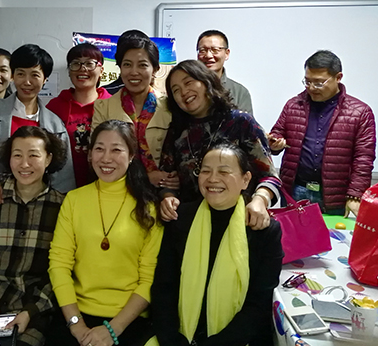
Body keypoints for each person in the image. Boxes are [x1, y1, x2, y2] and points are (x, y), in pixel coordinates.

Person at [151, 143, 283, 345]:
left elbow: (258, 305)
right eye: (205, 171)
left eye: (224, 172)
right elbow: (164, 288)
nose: (212, 179)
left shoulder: (262, 230)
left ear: (245, 179)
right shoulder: (181, 218)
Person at [47, 120, 163, 346]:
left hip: (129, 321)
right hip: (76, 315)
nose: (106, 158)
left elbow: (149, 278)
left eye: (116, 150)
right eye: (99, 149)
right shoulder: (74, 200)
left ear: (131, 156)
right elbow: (59, 264)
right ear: (90, 154)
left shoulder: (148, 208)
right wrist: (76, 325)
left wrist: (113, 329)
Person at [0, 126, 67, 346]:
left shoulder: (62, 207)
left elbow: (59, 271)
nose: (24, 164)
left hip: (34, 308)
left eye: (33, 155)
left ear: (48, 159)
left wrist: (31, 310)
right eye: (17, 155)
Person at [159, 60, 280, 230]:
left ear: (206, 82)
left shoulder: (240, 122)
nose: (184, 92)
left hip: (241, 222)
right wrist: (168, 197)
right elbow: (167, 178)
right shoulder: (177, 131)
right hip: (191, 223)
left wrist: (260, 200)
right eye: (176, 90)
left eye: (188, 83)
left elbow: (269, 176)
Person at [269, 50, 376, 216]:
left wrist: (355, 194)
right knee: (293, 232)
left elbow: (364, 158)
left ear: (338, 77)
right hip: (296, 190)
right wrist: (274, 143)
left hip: (335, 196)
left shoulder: (360, 112)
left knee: (332, 233)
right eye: (307, 81)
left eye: (319, 83)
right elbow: (277, 133)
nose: (312, 88)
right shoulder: (293, 105)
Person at [0, 44, 75, 203]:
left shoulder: (55, 125)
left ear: (45, 79)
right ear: (13, 75)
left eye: (35, 75)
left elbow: (63, 177)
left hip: (40, 203)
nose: (27, 82)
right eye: (20, 74)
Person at [92, 36, 178, 189]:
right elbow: (97, 157)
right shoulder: (103, 107)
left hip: (162, 190)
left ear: (155, 69)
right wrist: (145, 178)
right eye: (127, 65)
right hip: (116, 188)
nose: (134, 72)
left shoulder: (169, 106)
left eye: (142, 65)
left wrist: (174, 179)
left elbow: (178, 155)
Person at [47, 43, 112, 186]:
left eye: (89, 63)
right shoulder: (54, 107)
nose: (83, 68)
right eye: (76, 63)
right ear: (69, 71)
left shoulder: (113, 105)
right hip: (61, 187)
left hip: (105, 184)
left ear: (101, 70)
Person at [196, 30, 253, 115]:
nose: (208, 55)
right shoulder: (189, 88)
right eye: (203, 50)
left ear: (226, 53)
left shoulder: (239, 92)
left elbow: (246, 122)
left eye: (215, 50)